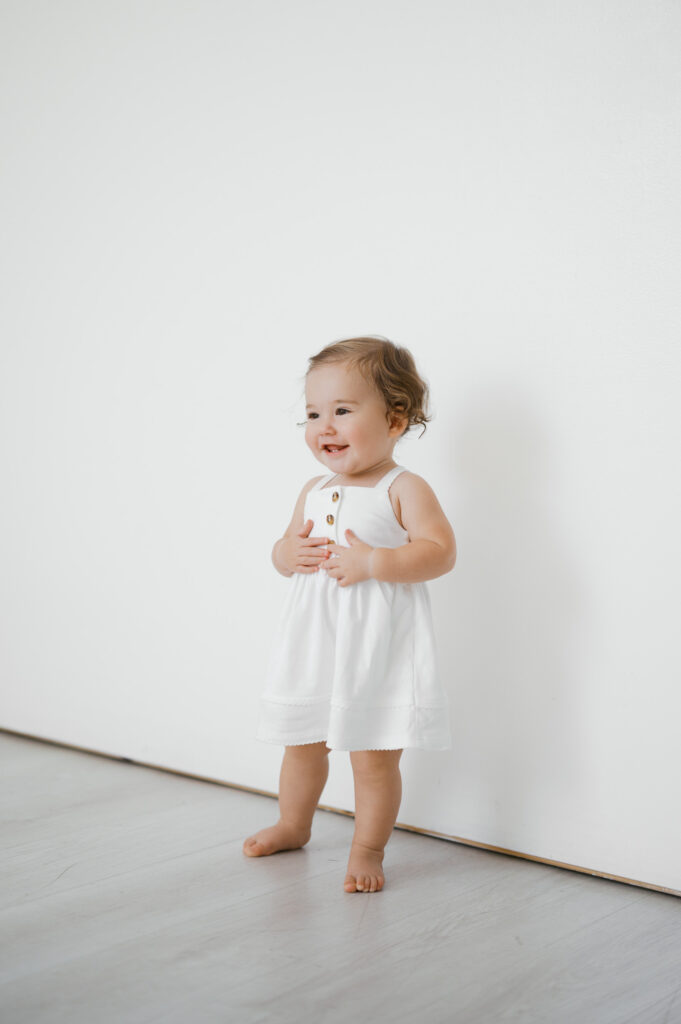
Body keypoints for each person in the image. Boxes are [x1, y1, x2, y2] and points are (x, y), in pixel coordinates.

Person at [243, 336, 457, 893]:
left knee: (374, 754)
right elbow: (284, 551)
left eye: (343, 410)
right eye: (314, 413)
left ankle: (368, 848)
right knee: (302, 742)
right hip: (316, 640)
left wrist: (376, 561)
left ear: (395, 418)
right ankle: (294, 823)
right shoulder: (314, 489)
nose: (324, 426)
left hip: (376, 645)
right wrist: (287, 554)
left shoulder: (402, 487)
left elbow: (439, 551)